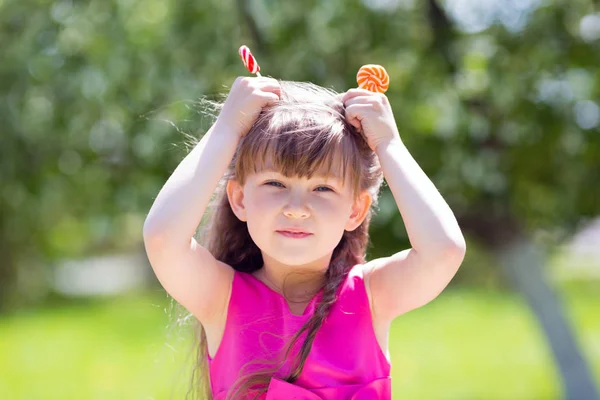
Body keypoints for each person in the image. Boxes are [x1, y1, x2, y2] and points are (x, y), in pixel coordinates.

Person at [143, 76, 466, 399]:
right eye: (275, 184)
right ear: (240, 199)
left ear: (355, 210)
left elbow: (443, 251)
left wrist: (389, 145)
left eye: (323, 188)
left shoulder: (370, 296)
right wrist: (227, 128)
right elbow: (163, 238)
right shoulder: (222, 300)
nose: (297, 209)